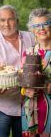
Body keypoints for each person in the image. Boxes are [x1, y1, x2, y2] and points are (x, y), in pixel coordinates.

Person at [0, 5, 35, 137]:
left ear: (17, 21)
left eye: (10, 19)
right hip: (2, 106)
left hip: (28, 104)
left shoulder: (31, 38)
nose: (6, 24)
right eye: (2, 20)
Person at [21, 8, 51, 137]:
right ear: (32, 29)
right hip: (31, 110)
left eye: (45, 24)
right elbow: (23, 82)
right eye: (37, 25)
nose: (41, 28)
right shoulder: (28, 53)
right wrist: (24, 90)